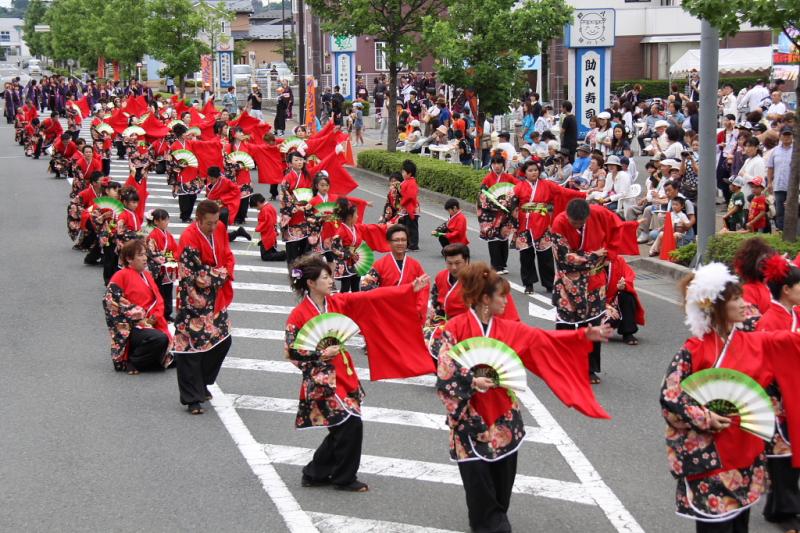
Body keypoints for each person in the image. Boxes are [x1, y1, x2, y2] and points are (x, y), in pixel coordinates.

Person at [436, 262, 612, 533]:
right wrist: (471, 380)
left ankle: (492, 518)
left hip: (504, 415)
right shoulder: (455, 328)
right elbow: (445, 367)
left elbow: (546, 340)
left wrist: (583, 335)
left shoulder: (509, 329)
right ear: (485, 299)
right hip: (469, 416)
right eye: (501, 296)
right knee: (478, 480)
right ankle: (490, 525)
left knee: (502, 480)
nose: (506, 301)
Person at [660, 262, 800, 532]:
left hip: (745, 447)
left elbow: (788, 341)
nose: (745, 304)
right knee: (718, 526)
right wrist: (705, 417)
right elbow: (671, 396)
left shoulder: (752, 340)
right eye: (737, 299)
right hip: (709, 452)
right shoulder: (695, 349)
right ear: (717, 307)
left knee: (739, 525)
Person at [286, 254, 431, 493]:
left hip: (344, 372)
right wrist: (320, 354)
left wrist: (407, 289)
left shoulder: (337, 302)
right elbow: (292, 351)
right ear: (310, 283)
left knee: (343, 426)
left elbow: (371, 297)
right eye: (325, 277)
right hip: (321, 378)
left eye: (330, 276)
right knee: (349, 424)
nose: (331, 281)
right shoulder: (298, 315)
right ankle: (343, 478)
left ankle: (315, 472)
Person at [550, 199, 637, 384]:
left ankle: (590, 368)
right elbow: (564, 257)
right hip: (568, 281)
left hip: (594, 281)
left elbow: (617, 227)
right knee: (566, 325)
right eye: (573, 222)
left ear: (587, 217)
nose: (576, 226)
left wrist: (610, 253)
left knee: (592, 324)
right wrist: (594, 255)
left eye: (580, 223)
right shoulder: (559, 222)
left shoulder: (599, 213)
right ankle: (563, 365)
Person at [172, 200, 235, 415]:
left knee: (222, 341)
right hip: (194, 299)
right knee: (191, 348)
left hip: (216, 297)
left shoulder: (220, 228)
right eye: (209, 223)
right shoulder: (189, 238)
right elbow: (195, 276)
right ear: (198, 220)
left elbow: (227, 255)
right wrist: (221, 272)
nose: (214, 227)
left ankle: (202, 382)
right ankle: (192, 398)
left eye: (216, 222)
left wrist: (223, 270)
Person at [756, 255, 800, 530]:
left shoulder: (792, 314)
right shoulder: (770, 320)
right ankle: (785, 511)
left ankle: (776, 506)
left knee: (789, 452)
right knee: (782, 455)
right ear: (786, 289)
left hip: (792, 391)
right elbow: (763, 362)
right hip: (776, 395)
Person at [510, 159, 584, 294]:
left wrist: (584, 195)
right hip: (524, 224)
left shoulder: (547, 185)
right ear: (525, 173)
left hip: (542, 223)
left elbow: (563, 192)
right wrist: (513, 210)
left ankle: (549, 283)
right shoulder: (519, 187)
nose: (533, 173)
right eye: (530, 170)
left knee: (546, 256)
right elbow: (510, 201)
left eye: (535, 170)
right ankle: (528, 284)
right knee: (526, 256)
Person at [102, 240, 173, 374]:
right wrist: (139, 315)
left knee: (181, 347)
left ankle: (150, 360)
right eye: (140, 255)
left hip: (151, 322)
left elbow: (159, 300)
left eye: (145, 254)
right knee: (159, 339)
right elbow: (110, 301)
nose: (145, 258)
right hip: (133, 326)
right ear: (129, 259)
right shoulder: (120, 275)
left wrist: (154, 317)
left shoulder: (146, 275)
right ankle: (133, 361)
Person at [360, 225, 428, 312]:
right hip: (386, 309)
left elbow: (424, 287)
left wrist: (418, 308)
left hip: (409, 310)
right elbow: (366, 286)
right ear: (389, 242)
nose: (400, 243)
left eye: (403, 240)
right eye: (396, 240)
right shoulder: (379, 265)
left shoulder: (415, 265)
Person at [477, 155, 516, 274]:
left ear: (503, 165)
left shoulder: (509, 177)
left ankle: (502, 264)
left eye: (499, 163)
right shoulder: (488, 178)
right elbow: (482, 194)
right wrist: (493, 203)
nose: (496, 166)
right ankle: (495, 265)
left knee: (503, 237)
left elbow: (518, 189)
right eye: (494, 163)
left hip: (504, 213)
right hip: (491, 214)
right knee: (493, 237)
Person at [280, 151, 313, 265]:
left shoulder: (307, 176)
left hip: (305, 215)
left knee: (305, 249)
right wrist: (295, 207)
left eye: (301, 160)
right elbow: (284, 197)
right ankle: (292, 271)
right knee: (292, 250)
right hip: (293, 216)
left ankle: (303, 270)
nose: (299, 162)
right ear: (290, 163)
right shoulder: (287, 178)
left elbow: (312, 193)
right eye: (296, 160)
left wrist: (310, 203)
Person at [605, 255, 644, 345]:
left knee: (627, 296)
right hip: (594, 305)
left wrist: (624, 285)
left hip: (613, 301)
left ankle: (628, 332)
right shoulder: (590, 263)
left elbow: (628, 276)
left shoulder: (618, 260)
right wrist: (606, 307)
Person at [768, 126, 794, 231]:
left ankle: (793, 233)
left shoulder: (796, 150)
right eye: (784, 135)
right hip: (779, 186)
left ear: (792, 136)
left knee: (792, 210)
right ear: (780, 136)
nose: (786, 137)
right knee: (779, 211)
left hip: (793, 187)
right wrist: (769, 182)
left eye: (789, 135)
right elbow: (770, 167)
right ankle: (781, 233)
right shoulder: (775, 151)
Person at [250, 193, 287, 262]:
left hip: (268, 234)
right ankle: (283, 254)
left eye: (256, 207)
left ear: (258, 203)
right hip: (270, 232)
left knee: (265, 256)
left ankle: (284, 254)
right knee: (269, 251)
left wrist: (258, 228)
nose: (257, 209)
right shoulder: (268, 207)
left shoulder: (265, 209)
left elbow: (267, 222)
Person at [399, 159, 420, 251]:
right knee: (407, 227)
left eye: (404, 172)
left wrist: (402, 203)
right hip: (407, 208)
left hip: (411, 208)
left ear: (409, 173)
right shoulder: (407, 181)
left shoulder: (411, 183)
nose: (402, 173)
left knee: (411, 228)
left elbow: (410, 196)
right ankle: (409, 244)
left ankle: (413, 245)